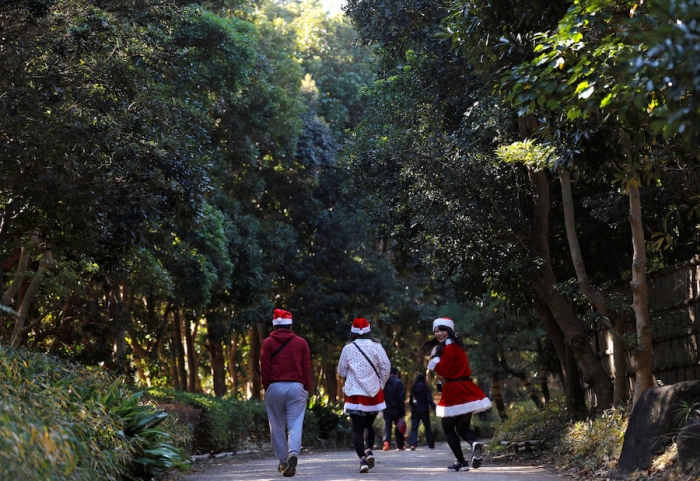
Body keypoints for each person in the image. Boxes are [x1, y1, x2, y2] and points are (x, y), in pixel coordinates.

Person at [422, 317, 492, 472]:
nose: (439, 333)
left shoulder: (448, 348)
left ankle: (462, 462)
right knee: (462, 428)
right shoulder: (457, 346)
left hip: (454, 389)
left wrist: (434, 363)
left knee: (447, 429)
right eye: (436, 331)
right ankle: (474, 443)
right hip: (467, 387)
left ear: (449, 331)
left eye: (442, 330)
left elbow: (445, 371)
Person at [260, 308, 311, 478]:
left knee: (276, 426)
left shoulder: (267, 343)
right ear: (290, 324)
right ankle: (293, 453)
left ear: (274, 325)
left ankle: (283, 461)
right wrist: (306, 387)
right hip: (296, 387)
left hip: (274, 386)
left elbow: (264, 368)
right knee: (295, 424)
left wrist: (267, 386)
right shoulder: (301, 342)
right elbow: (306, 368)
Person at [337, 317, 391, 473]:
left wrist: (352, 375)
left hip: (355, 393)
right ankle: (369, 450)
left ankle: (362, 459)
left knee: (357, 429)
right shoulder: (377, 346)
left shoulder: (347, 348)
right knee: (369, 425)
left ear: (352, 332)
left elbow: (341, 371)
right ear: (369, 331)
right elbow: (386, 366)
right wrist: (381, 383)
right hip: (374, 393)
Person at [408, 372, 436, 450]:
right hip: (424, 410)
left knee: (414, 428)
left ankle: (413, 444)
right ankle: (431, 444)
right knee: (427, 427)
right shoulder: (426, 387)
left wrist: (413, 406)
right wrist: (435, 408)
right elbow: (429, 399)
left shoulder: (413, 388)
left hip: (415, 410)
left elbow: (411, 400)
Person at [382, 366, 406, 451]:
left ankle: (386, 443)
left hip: (386, 407)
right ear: (396, 373)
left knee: (387, 425)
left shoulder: (384, 382)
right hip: (397, 408)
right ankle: (399, 445)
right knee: (398, 426)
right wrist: (402, 409)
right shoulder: (398, 382)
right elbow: (401, 397)